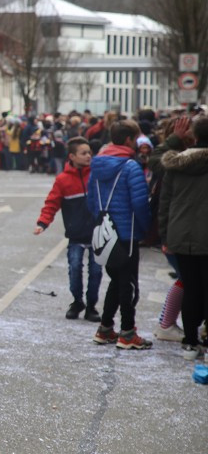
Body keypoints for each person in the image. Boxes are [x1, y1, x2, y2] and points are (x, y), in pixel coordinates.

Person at [86, 119, 152, 350]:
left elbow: (91, 201)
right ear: (128, 140)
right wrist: (145, 230)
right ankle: (127, 333)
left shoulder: (97, 165)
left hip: (105, 232)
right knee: (129, 285)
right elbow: (140, 204)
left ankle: (105, 328)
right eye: (135, 139)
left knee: (116, 280)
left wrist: (102, 223)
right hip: (127, 233)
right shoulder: (131, 166)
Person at [34, 137, 102, 322]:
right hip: (76, 234)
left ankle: (91, 306)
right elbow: (52, 203)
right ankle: (77, 301)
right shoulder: (63, 180)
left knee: (96, 272)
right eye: (83, 153)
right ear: (72, 156)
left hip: (97, 234)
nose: (88, 156)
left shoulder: (97, 174)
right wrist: (43, 223)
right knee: (74, 269)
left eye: (89, 152)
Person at [158, 115, 208, 361]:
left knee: (190, 288)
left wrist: (164, 233)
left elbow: (164, 202)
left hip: (181, 232)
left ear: (194, 136)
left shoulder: (175, 164)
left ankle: (190, 341)